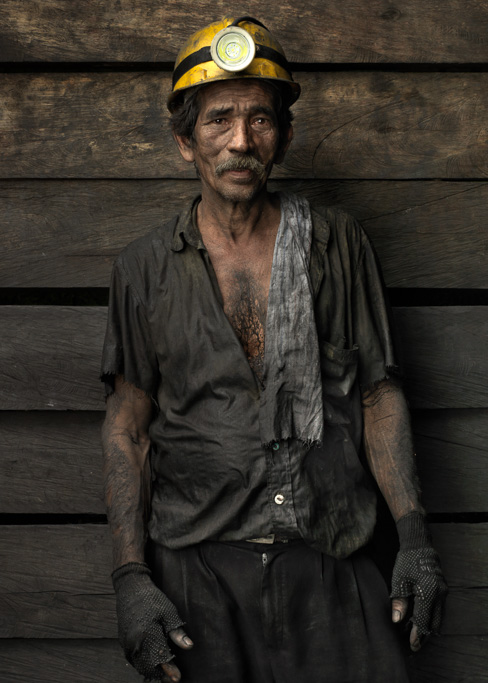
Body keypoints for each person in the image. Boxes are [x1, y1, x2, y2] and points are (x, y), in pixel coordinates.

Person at [101, 16, 447, 683]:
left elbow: (379, 395)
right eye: (218, 120)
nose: (240, 141)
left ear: (284, 136)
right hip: (198, 576)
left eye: (261, 120)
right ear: (184, 142)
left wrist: (415, 539)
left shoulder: (336, 243)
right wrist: (129, 577)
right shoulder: (144, 268)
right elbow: (128, 424)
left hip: (333, 562)